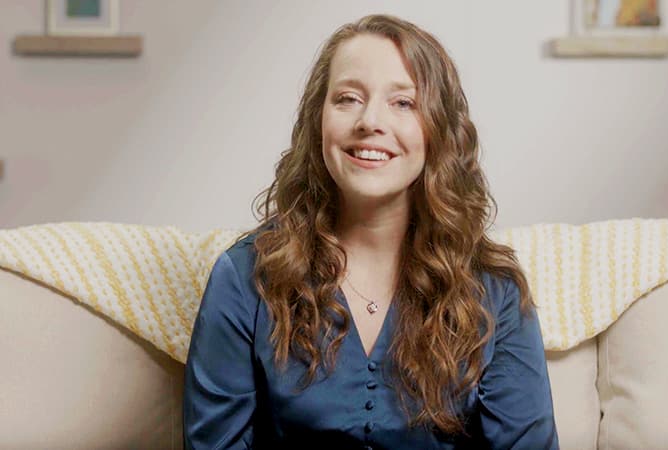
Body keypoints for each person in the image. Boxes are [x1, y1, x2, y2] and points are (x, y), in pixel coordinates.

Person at [183, 14, 559, 449]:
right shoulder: (244, 277)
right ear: (317, 120)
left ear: (437, 129)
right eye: (347, 98)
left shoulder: (495, 289)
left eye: (403, 103)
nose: (370, 121)